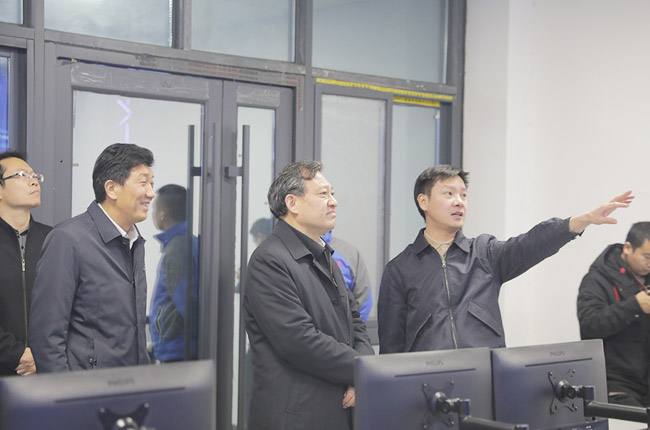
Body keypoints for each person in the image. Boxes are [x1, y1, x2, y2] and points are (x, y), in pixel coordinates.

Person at [378, 164, 633, 354]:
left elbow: (531, 244)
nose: (459, 202)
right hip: (426, 385)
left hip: (484, 376)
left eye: (463, 195)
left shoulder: (484, 253)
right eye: (449, 194)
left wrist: (579, 221)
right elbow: (392, 346)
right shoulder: (400, 269)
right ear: (423, 201)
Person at [243, 160, 374, 430]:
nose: (334, 202)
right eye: (323, 194)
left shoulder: (324, 255)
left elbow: (355, 322)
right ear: (292, 203)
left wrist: (362, 372)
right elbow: (299, 340)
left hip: (337, 408)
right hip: (296, 415)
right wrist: (362, 369)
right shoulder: (270, 260)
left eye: (332, 193)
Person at [29, 143, 154, 372]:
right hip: (86, 389)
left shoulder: (135, 242)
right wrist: (66, 391)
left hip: (131, 384)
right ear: (112, 189)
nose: (151, 193)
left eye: (152, 184)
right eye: (143, 183)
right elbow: (46, 336)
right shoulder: (68, 239)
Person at [577, 222, 650, 407]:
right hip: (616, 384)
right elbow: (590, 325)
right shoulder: (598, 279)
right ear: (628, 248)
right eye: (647, 256)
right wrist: (634, 305)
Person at [0, 151, 51, 376]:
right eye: (21, 175)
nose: (33, 181)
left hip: (45, 370)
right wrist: (16, 355)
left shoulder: (54, 239)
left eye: (35, 175)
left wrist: (42, 355)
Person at [149, 184, 199, 362]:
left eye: (154, 209)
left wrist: (168, 336)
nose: (152, 214)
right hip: (182, 347)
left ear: (163, 213)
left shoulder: (177, 248)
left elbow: (186, 302)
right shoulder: (188, 242)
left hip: (177, 349)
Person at [323, 231, 373, 323]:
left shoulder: (348, 252)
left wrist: (354, 329)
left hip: (344, 328)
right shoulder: (295, 250)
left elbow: (363, 299)